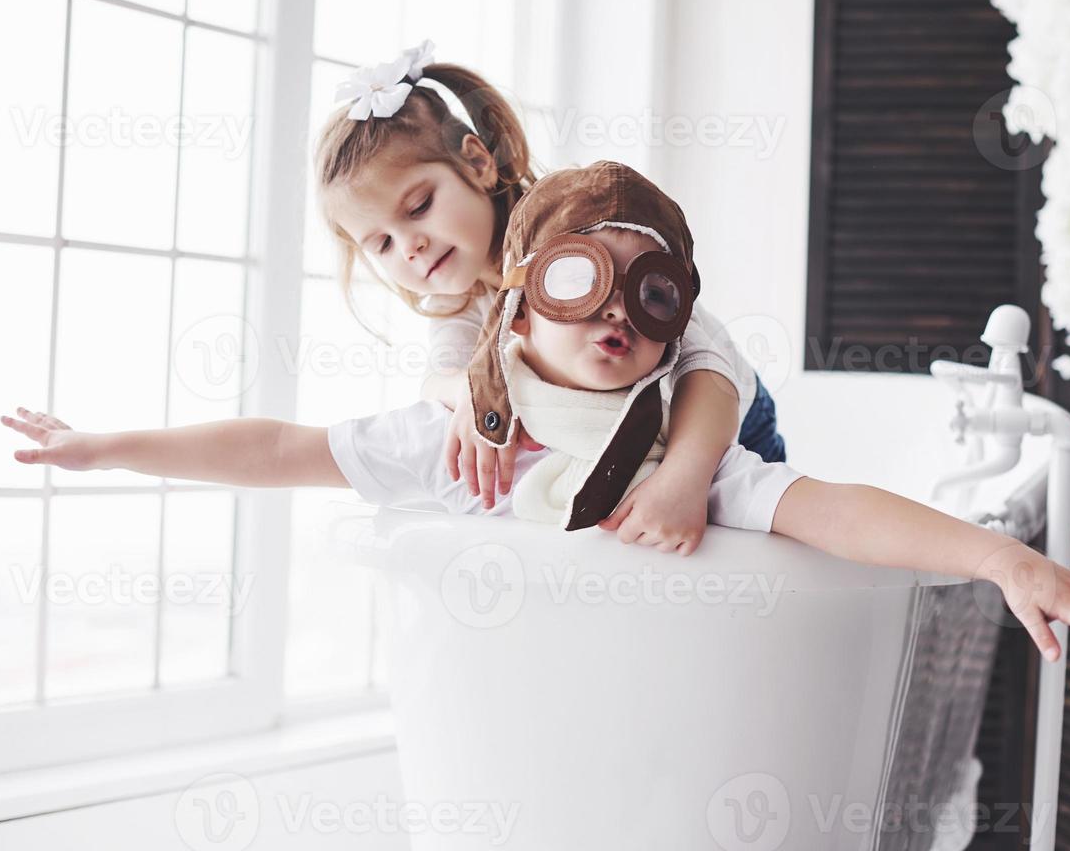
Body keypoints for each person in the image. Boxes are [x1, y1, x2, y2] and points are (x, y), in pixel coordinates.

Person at [1, 162, 1070, 667]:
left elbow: (838, 511)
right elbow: (284, 445)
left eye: (645, 294)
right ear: (515, 310)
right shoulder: (463, 443)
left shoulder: (677, 446)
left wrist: (1001, 556)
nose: (612, 310)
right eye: (573, 282)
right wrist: (110, 444)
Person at [313, 39, 782, 556]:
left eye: (419, 206)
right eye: (382, 243)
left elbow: (705, 365)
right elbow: (438, 377)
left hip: (722, 415)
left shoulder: (577, 236)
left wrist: (687, 475)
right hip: (632, 430)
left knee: (757, 544)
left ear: (477, 162)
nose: (410, 247)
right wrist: (471, 388)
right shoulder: (463, 305)